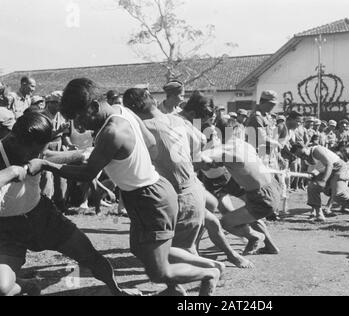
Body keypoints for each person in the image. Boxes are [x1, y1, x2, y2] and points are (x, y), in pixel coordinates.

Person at [28, 79, 221, 296]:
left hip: (150, 199)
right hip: (145, 193)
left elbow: (87, 173)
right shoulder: (121, 111)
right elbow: (151, 143)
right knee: (139, 248)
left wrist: (46, 164)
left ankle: (208, 273)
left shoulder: (112, 132)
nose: (79, 126)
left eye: (80, 119)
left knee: (159, 273)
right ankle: (182, 286)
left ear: (93, 107)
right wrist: (132, 163)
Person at [0, 111, 139, 296]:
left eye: (41, 150)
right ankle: (29, 286)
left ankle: (118, 291)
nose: (37, 155)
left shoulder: (36, 149)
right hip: (9, 230)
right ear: (16, 140)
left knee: (90, 256)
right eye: (34, 151)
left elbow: (48, 155)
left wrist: (80, 154)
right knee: (3, 288)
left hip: (44, 218)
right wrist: (9, 173)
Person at [123, 88, 253, 269]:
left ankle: (211, 265)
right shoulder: (175, 120)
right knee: (211, 221)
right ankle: (228, 256)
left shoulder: (146, 127)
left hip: (177, 190)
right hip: (188, 187)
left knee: (178, 246)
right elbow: (197, 142)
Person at [201, 125, 281, 256]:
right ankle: (270, 246)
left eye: (214, 135)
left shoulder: (223, 152)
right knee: (244, 216)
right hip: (270, 186)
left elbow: (205, 157)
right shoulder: (242, 144)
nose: (214, 137)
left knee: (226, 222)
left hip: (261, 196)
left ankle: (254, 237)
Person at [290, 142, 349, 222]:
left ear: (306, 147)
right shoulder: (305, 159)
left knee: (338, 195)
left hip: (338, 168)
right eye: (299, 156)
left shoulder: (316, 150)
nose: (303, 157)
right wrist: (310, 175)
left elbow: (329, 164)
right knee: (312, 186)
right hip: (324, 171)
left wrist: (324, 181)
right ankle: (318, 214)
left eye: (302, 153)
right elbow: (305, 171)